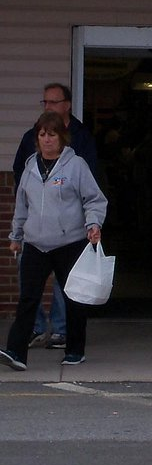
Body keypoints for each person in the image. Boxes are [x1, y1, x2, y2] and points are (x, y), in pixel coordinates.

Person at [2, 111, 107, 370]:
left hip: (69, 243)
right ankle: (16, 352)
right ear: (37, 139)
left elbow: (94, 199)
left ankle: (75, 350)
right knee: (28, 298)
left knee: (73, 299)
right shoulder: (29, 166)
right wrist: (16, 236)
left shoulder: (76, 165)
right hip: (36, 244)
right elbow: (22, 205)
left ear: (62, 138)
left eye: (52, 135)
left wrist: (93, 224)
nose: (47, 140)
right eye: (42, 135)